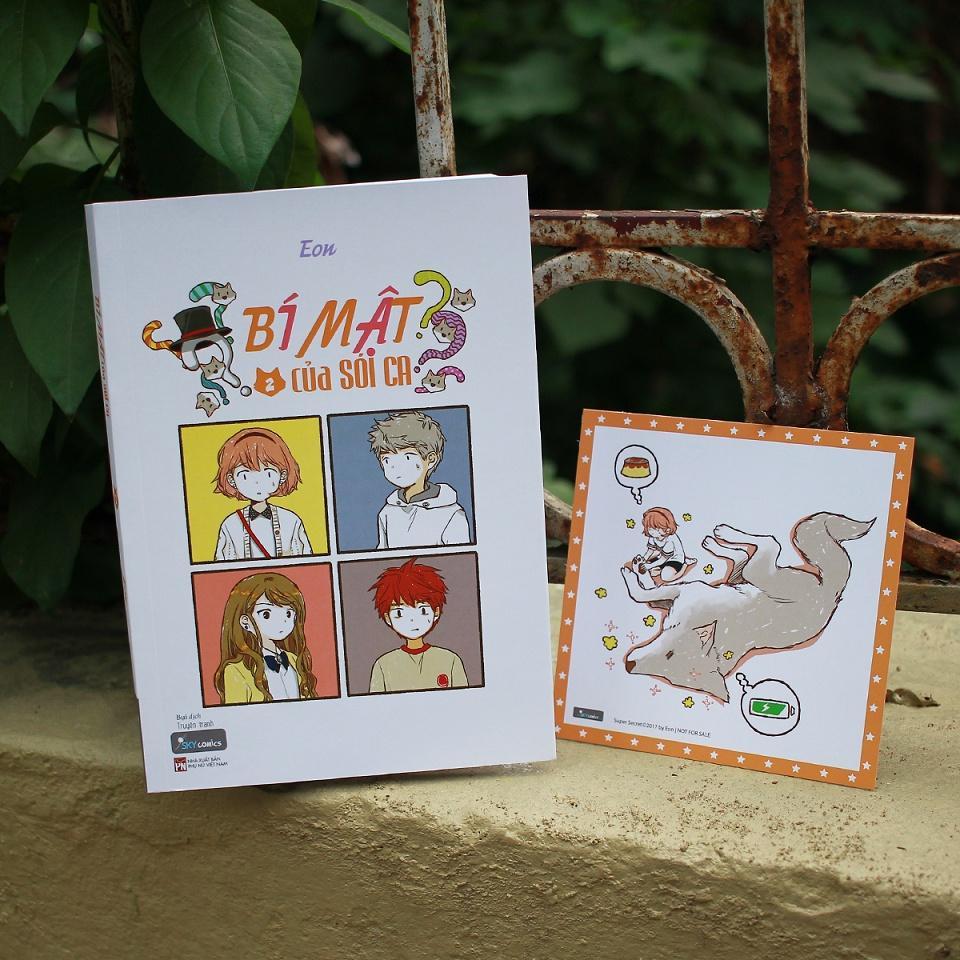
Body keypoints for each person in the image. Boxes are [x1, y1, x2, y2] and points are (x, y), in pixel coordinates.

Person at [368, 411, 470, 549]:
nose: (395, 467)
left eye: (407, 457)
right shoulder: (387, 512)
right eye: (387, 460)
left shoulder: (452, 514)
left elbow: (461, 558)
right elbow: (382, 556)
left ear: (431, 459)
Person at [214, 572, 318, 704]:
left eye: (288, 613)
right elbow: (236, 714)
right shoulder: (236, 671)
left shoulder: (294, 660)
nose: (282, 621)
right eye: (266, 614)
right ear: (246, 622)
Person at [367, 558, 468, 693]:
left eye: (423, 610)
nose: (412, 620)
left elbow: (466, 699)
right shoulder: (383, 665)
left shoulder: (451, 660)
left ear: (436, 612)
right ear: (388, 618)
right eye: (399, 613)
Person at [213, 427, 312, 560]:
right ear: (231, 480)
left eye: (268, 474)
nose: (257, 482)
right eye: (245, 475)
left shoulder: (291, 520)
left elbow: (306, 561)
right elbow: (222, 566)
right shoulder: (230, 524)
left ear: (283, 476)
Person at [630, 507, 696, 587]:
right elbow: (650, 550)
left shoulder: (670, 540)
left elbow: (663, 559)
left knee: (665, 577)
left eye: (655, 528)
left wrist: (648, 566)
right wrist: (644, 558)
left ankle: (685, 565)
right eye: (649, 528)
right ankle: (658, 568)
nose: (651, 531)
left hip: (674, 559)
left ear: (667, 529)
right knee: (653, 570)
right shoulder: (653, 536)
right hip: (661, 556)